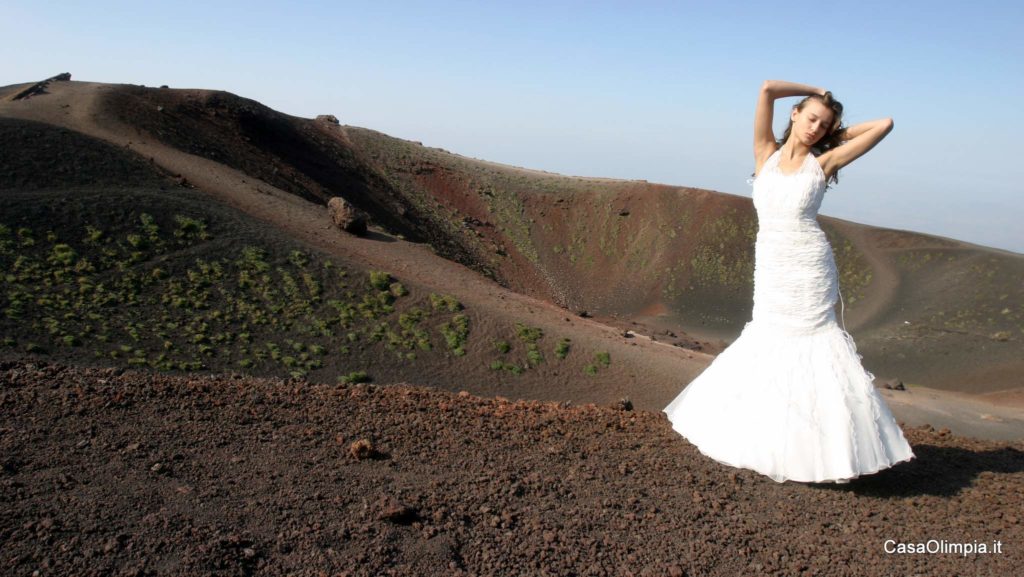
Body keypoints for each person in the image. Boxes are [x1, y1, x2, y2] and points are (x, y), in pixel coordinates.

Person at [662, 80, 915, 483]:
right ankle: (768, 437)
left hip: (809, 266)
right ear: (794, 114)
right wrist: (814, 89)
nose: (815, 127)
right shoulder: (765, 154)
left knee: (814, 344)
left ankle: (827, 451)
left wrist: (833, 136)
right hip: (773, 265)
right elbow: (766, 90)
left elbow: (884, 124)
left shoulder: (825, 163)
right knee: (769, 338)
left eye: (823, 124)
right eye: (810, 117)